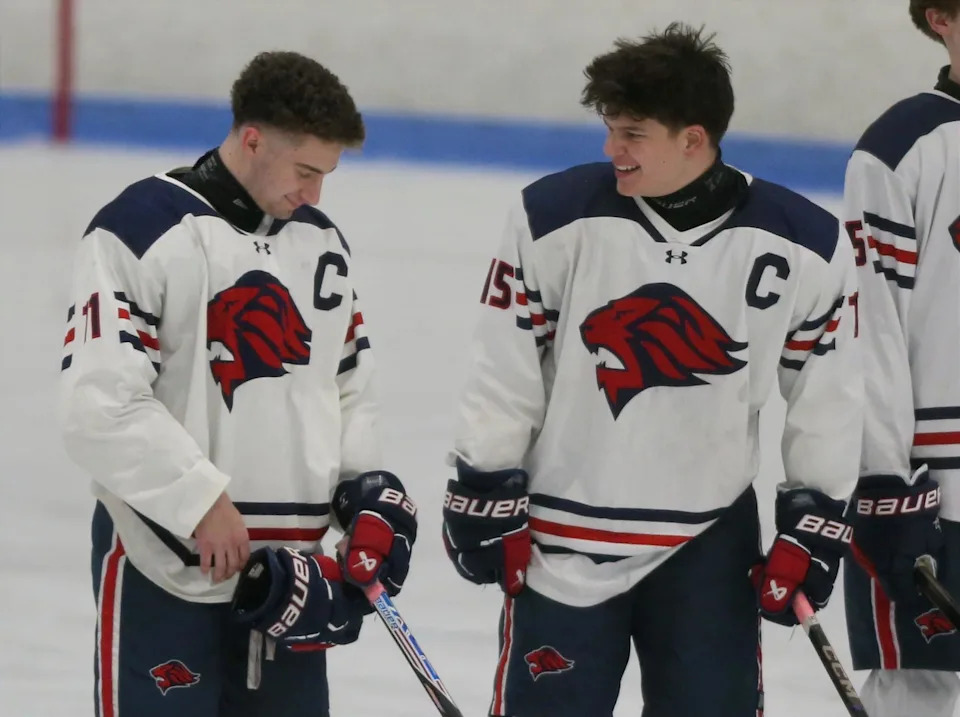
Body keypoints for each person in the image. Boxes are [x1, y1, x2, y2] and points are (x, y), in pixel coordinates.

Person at [441, 23, 862, 717]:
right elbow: (504, 366)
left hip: (706, 549)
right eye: (609, 129)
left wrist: (813, 517)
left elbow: (830, 396)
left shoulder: (804, 243)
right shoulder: (552, 217)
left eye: (631, 134)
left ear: (692, 139)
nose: (611, 151)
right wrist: (484, 480)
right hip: (560, 541)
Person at [59, 51, 417, 717]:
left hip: (290, 583)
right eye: (305, 170)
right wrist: (197, 499)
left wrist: (364, 491)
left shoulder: (322, 243)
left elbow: (345, 385)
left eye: (326, 175)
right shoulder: (142, 228)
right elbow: (98, 404)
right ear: (252, 139)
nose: (315, 194)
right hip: (163, 566)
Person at [841, 3, 960, 716]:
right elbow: (869, 330)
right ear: (941, 16)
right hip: (938, 488)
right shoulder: (901, 146)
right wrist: (887, 486)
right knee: (917, 692)